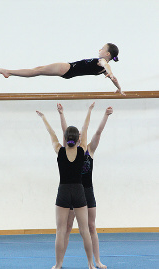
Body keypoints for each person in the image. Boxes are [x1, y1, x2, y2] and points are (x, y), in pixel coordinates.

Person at [36, 103, 96, 269]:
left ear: (65, 138)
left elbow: (52, 133)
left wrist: (44, 118)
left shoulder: (59, 150)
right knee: (84, 231)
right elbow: (86, 127)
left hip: (63, 191)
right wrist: (89, 110)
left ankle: (58, 264)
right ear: (78, 139)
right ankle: (91, 264)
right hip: (78, 191)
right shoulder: (82, 149)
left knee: (61, 231)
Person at [57, 103, 113, 269]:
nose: (80, 134)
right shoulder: (68, 149)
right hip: (73, 190)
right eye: (77, 133)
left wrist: (106, 115)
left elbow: (98, 132)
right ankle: (60, 262)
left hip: (86, 191)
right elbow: (64, 131)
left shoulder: (89, 150)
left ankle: (96, 261)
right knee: (67, 227)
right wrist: (61, 113)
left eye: (82, 133)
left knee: (91, 226)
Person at [0, 43, 124, 94]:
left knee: (37, 70)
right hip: (68, 74)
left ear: (107, 54)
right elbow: (114, 79)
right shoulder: (104, 70)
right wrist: (119, 88)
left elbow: (105, 64)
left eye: (102, 48)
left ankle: (8, 71)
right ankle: (9, 72)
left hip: (67, 67)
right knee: (37, 70)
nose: (99, 49)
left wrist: (111, 72)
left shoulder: (101, 62)